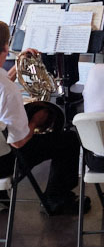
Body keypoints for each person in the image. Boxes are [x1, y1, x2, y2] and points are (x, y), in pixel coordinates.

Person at [0, 22, 83, 215]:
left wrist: (16, 69)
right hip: (4, 162)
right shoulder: (8, 90)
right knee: (68, 140)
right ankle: (56, 197)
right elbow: (20, 141)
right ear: (6, 47)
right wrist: (35, 121)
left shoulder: (6, 86)